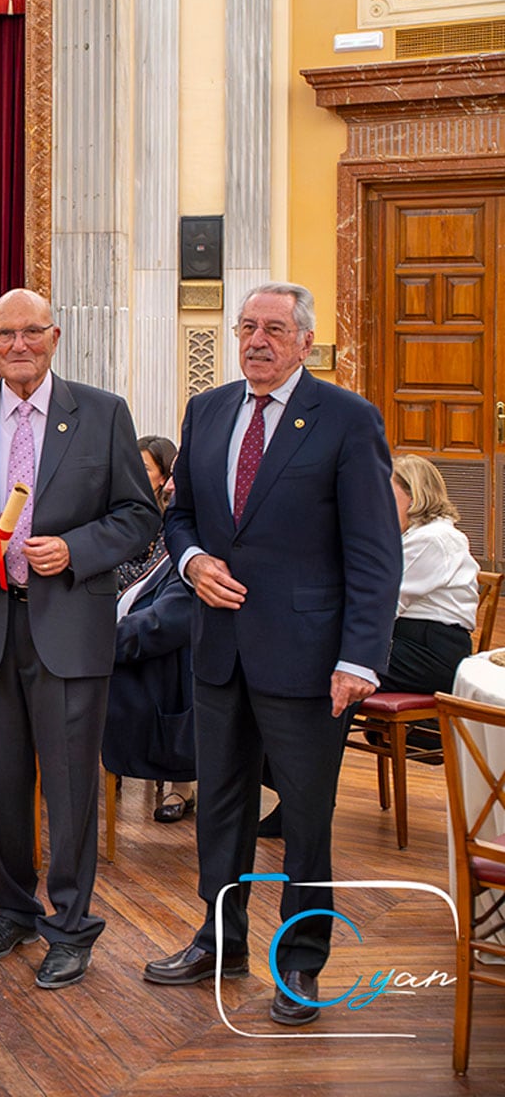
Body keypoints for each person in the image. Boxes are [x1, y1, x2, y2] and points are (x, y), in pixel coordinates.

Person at [143, 281, 400, 1028]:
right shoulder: (209, 409)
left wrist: (360, 659)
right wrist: (190, 563)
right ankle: (218, 942)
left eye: (275, 329)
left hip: (311, 661)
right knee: (220, 810)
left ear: (304, 342)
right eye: (247, 326)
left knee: (307, 823)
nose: (257, 340)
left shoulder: (349, 420)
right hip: (220, 654)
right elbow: (181, 514)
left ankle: (299, 963)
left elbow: (376, 554)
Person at [0, 288, 159, 990]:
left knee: (69, 789)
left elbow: (137, 516)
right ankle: (11, 910)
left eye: (30, 332)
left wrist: (74, 548)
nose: (17, 345)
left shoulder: (102, 413)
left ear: (55, 336)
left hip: (68, 622)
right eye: (2, 333)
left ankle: (70, 926)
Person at [101, 435, 199, 824]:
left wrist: (102, 643)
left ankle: (181, 782)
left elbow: (172, 614)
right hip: (122, 616)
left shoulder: (181, 532)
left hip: (153, 648)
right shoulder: (126, 513)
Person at [379, 453, 479, 695]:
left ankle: (319, 732)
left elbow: (383, 603)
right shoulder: (415, 536)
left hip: (429, 652)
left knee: (336, 663)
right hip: (412, 641)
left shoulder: (432, 539)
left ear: (413, 499)